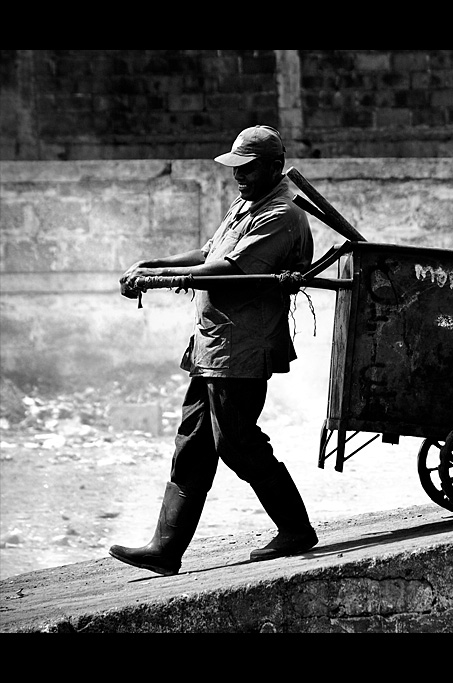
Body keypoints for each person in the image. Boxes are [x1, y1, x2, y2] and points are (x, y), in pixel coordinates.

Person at [109, 125, 318, 575]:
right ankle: (165, 549)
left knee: (236, 442)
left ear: (274, 168)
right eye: (236, 168)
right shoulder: (246, 204)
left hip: (242, 347)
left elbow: (225, 270)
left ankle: (296, 529)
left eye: (248, 168)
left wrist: (156, 280)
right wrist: (153, 264)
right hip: (213, 345)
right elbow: (209, 251)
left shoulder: (280, 215)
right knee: (193, 445)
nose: (238, 176)